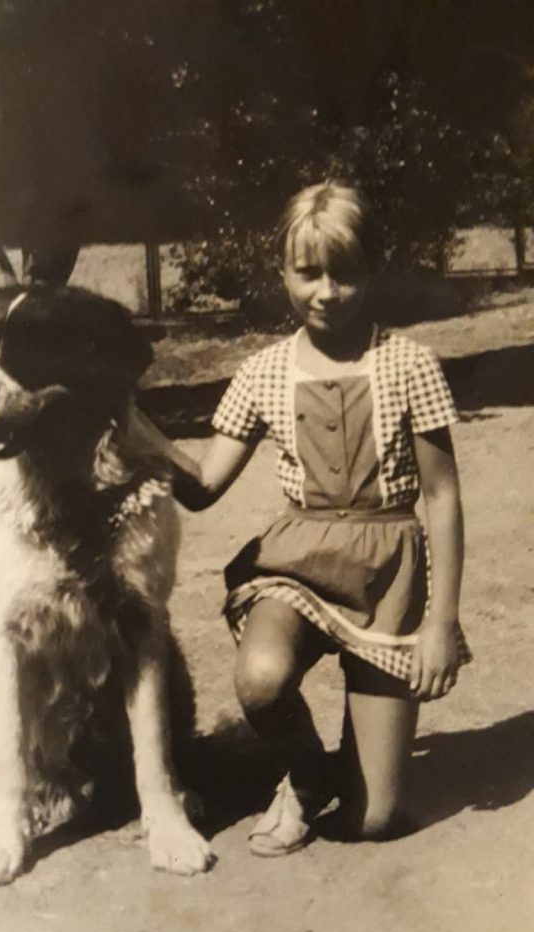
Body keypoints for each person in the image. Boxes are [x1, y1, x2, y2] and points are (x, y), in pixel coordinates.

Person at [114, 180, 471, 857]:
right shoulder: (262, 372)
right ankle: (306, 775)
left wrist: (441, 623)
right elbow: (203, 486)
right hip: (298, 564)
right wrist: (130, 420)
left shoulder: (411, 364)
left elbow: (444, 497)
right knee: (260, 680)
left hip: (389, 574)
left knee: (374, 819)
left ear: (372, 269)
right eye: (308, 273)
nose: (326, 292)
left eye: (345, 273)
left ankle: (362, 751)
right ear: (282, 272)